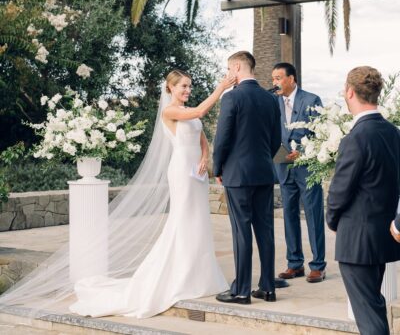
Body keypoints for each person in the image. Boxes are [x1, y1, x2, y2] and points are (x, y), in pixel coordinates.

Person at [68, 69, 236, 318]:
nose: (187, 91)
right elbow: (200, 112)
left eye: (189, 86)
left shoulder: (189, 113)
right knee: (182, 220)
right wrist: (221, 87)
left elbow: (202, 140)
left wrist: (205, 158)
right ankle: (178, 276)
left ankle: (199, 275)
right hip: (180, 171)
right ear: (170, 89)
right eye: (183, 87)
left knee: (198, 222)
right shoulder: (170, 111)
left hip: (197, 174)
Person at [327, 66, 400, 335]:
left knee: (368, 315)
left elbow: (339, 190)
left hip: (357, 239)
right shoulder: (393, 133)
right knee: (374, 305)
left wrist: (332, 219)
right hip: (381, 235)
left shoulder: (356, 137)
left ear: (349, 92)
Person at [213, 51, 281, 304]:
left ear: (237, 67)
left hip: (238, 174)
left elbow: (222, 139)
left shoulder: (232, 97)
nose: (228, 74)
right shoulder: (269, 99)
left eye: (229, 69)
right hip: (264, 172)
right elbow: (276, 141)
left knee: (241, 232)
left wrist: (218, 168)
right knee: (266, 231)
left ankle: (241, 290)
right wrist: (263, 160)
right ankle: (267, 288)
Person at [271, 62, 326, 283]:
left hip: (307, 168)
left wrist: (301, 152)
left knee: (313, 215)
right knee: (289, 215)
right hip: (283, 167)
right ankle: (295, 264)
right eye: (273, 78)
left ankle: (318, 266)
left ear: (291, 79)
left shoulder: (311, 100)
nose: (275, 82)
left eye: (278, 78)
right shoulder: (273, 103)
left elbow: (319, 133)